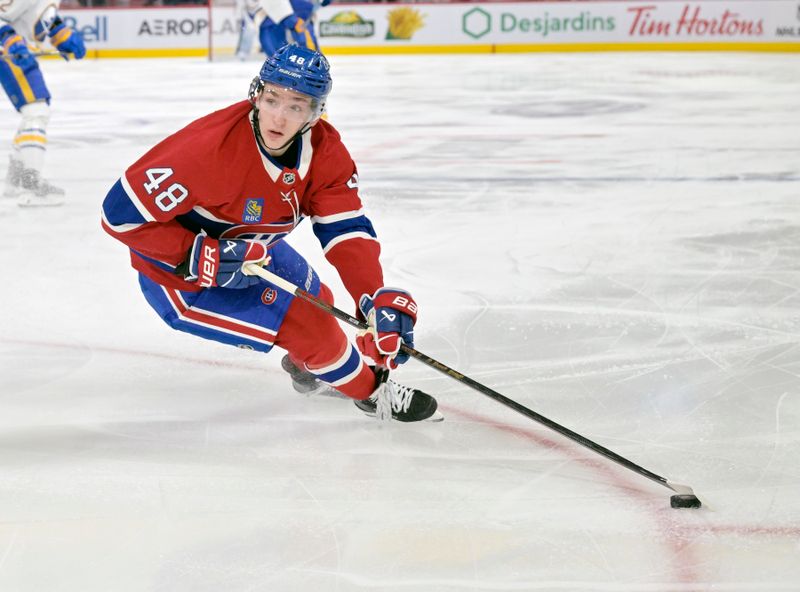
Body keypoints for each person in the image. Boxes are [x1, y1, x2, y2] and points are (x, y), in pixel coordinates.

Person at [101, 44, 441, 423]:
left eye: (296, 105)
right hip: (181, 280)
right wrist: (196, 253)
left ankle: (306, 367)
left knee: (318, 299)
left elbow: (345, 230)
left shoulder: (325, 152)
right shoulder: (205, 150)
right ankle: (370, 392)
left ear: (314, 112)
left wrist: (372, 296)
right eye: (272, 98)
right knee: (311, 328)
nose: (278, 117)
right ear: (257, 94)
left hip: (251, 253)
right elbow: (119, 216)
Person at [1, 1, 86, 207]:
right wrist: (9, 38)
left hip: (15, 50)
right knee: (36, 112)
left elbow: (41, 12)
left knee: (35, 109)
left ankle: (17, 178)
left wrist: (63, 36)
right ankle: (30, 185)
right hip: (9, 52)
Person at [238, 0, 329, 59]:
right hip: (276, 14)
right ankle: (312, 59)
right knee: (278, 51)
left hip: (289, 13)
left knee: (301, 38)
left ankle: (312, 59)